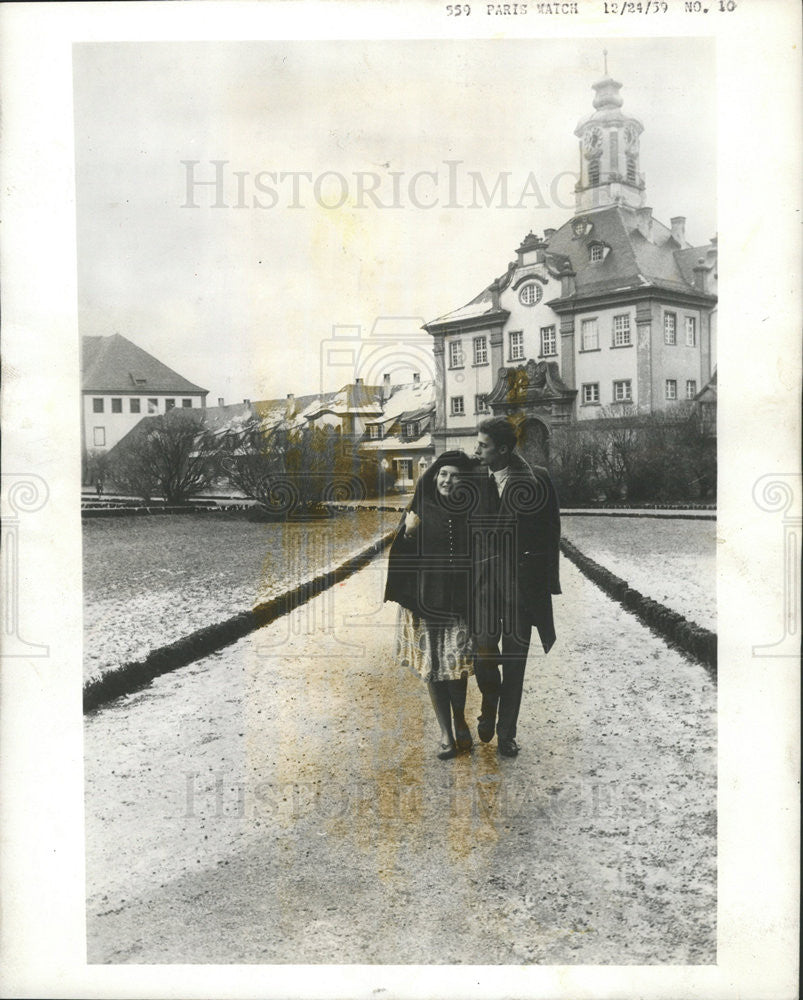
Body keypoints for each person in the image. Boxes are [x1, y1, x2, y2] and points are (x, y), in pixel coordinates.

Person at [472, 417, 561, 758]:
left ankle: (506, 733)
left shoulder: (536, 479)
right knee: (483, 655)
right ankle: (490, 697)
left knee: (515, 662)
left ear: (504, 450)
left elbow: (552, 532)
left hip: (521, 591)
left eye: (483, 445)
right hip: (483, 589)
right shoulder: (474, 479)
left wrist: (547, 585)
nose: (476, 450)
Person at [384, 451, 478, 759]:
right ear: (435, 476)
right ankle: (445, 733)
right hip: (425, 603)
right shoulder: (420, 508)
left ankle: (461, 719)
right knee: (433, 669)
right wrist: (409, 534)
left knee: (456, 668)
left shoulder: (470, 510)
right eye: (443, 474)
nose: (448, 481)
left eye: (455, 475)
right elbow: (399, 557)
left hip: (458, 603)